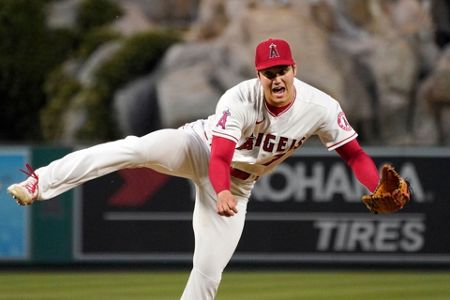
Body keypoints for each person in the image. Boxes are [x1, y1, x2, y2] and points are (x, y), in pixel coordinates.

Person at [8, 38, 380, 299]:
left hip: (238, 187)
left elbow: (354, 154)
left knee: (207, 274)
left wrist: (376, 185)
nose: (277, 78)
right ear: (258, 75)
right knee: (134, 148)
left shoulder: (321, 107)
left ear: (294, 69)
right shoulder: (238, 99)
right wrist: (218, 190)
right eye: (269, 73)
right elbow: (218, 157)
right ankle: (41, 181)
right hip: (197, 149)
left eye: (282, 70)